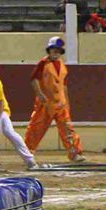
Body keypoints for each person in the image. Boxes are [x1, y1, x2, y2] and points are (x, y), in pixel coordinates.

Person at [25, 36, 85, 164]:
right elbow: (34, 79)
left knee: (68, 129)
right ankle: (27, 152)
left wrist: (67, 101)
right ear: (49, 51)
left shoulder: (62, 65)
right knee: (36, 127)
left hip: (61, 103)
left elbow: (64, 85)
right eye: (54, 50)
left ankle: (74, 153)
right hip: (46, 102)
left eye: (58, 51)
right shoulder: (43, 63)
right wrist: (40, 94)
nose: (56, 53)